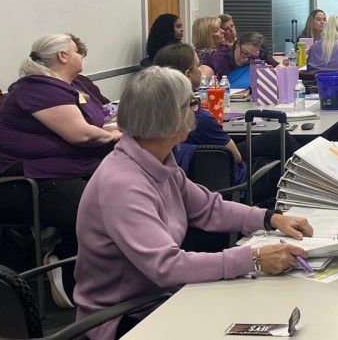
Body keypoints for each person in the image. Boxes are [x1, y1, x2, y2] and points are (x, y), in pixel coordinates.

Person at [73, 67, 312, 340]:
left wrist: (270, 218)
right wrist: (253, 258)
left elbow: (209, 209)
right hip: (123, 319)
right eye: (192, 104)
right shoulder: (122, 184)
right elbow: (167, 267)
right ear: (172, 118)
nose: (197, 112)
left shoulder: (157, 162)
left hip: (160, 298)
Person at [0, 34, 122, 308]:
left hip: (51, 172)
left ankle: (96, 268)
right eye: (77, 52)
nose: (81, 56)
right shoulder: (39, 89)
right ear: (62, 56)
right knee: (96, 209)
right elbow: (81, 135)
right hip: (13, 182)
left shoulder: (69, 85)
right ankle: (66, 264)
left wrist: (115, 131)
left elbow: (98, 121)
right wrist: (114, 135)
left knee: (116, 195)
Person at [153, 44, 297, 205]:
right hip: (232, 184)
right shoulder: (196, 117)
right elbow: (235, 157)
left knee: (276, 139)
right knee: (283, 149)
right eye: (198, 66)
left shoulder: (155, 111)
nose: (201, 70)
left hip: (191, 184)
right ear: (187, 74)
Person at [203, 31, 277, 86]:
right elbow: (205, 72)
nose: (245, 60)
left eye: (251, 57)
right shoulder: (218, 58)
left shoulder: (258, 59)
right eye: (244, 53)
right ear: (237, 44)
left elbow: (276, 67)